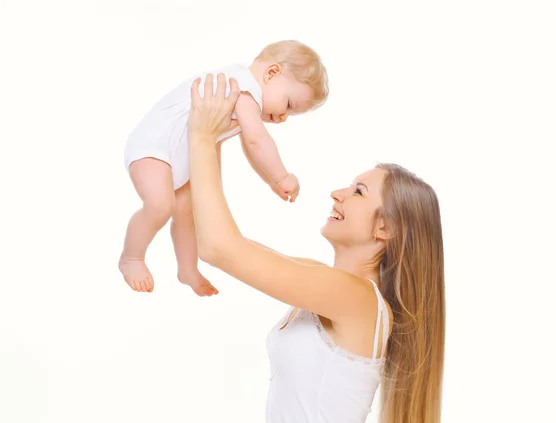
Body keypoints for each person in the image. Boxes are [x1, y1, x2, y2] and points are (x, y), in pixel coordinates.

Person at [187, 74, 445, 423]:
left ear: (386, 227)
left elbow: (219, 248)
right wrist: (215, 138)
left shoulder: (356, 298)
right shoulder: (323, 281)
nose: (338, 193)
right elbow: (225, 242)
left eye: (358, 192)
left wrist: (201, 137)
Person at [119, 40, 328, 296]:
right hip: (153, 148)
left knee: (188, 212)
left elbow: (250, 146)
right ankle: (132, 258)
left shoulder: (245, 96)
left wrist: (270, 181)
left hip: (180, 157)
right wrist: (282, 176)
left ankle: (187, 269)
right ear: (272, 73)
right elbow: (256, 140)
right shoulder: (243, 87)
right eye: (289, 105)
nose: (283, 117)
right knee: (161, 205)